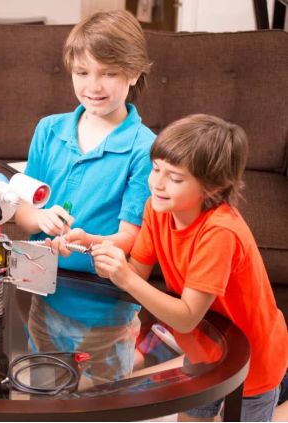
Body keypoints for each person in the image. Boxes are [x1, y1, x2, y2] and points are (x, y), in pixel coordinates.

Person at [92, 114, 288, 421]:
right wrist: (97, 249)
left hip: (252, 360)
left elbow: (185, 317)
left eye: (175, 178)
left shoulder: (220, 232)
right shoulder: (157, 208)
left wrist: (126, 277)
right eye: (156, 168)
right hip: (201, 350)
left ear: (212, 187)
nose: (157, 183)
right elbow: (136, 272)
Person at [14, 10, 155, 383]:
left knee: (106, 400)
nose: (93, 85)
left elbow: (131, 237)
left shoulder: (144, 149)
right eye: (82, 72)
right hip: (44, 295)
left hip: (105, 309)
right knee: (46, 391)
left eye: (108, 73)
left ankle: (139, 356)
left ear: (134, 73)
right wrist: (39, 218)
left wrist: (88, 241)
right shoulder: (48, 130)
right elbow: (22, 209)